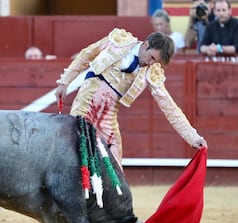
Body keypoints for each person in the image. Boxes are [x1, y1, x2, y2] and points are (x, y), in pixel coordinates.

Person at [55, 28, 207, 165]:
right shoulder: (118, 41)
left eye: (156, 62)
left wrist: (193, 137)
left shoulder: (150, 72)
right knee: (77, 150)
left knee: (116, 166)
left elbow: (170, 107)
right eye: (152, 57)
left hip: (108, 119)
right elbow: (87, 54)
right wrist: (64, 81)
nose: (150, 63)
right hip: (85, 104)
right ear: (146, 44)